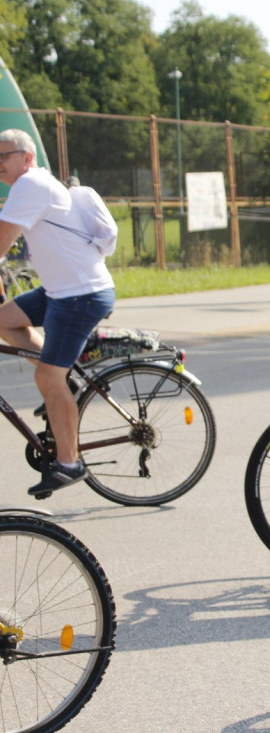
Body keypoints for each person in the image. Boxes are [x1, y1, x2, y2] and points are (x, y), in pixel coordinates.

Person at [0, 129, 116, 496]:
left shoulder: (29, 185)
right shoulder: (31, 188)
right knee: (4, 321)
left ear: (27, 157)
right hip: (61, 291)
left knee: (48, 379)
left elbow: (1, 241)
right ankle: (68, 381)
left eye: (4, 156)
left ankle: (69, 463)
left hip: (81, 294)